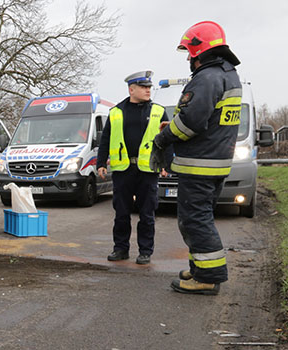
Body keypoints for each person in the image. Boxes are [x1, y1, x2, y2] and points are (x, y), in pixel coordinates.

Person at [151, 21, 242, 295]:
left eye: (189, 53)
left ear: (197, 51)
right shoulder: (229, 76)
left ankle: (209, 276)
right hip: (216, 162)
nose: (189, 59)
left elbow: (190, 122)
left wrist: (163, 139)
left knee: (194, 220)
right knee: (200, 217)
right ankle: (200, 269)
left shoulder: (207, 78)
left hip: (199, 165)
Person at [96, 70, 169, 265]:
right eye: (144, 87)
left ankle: (145, 251)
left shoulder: (158, 111)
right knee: (121, 212)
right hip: (123, 169)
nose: (148, 90)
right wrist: (101, 163)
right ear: (131, 89)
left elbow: (167, 140)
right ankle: (120, 249)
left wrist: (165, 164)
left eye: (149, 87)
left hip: (147, 169)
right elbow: (106, 139)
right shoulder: (116, 112)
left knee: (147, 213)